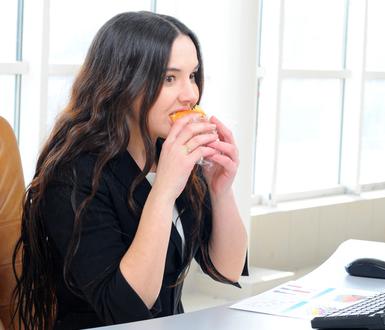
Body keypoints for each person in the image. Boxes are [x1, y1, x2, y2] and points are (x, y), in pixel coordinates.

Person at [11, 11, 248, 329]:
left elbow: (227, 269)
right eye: (169, 78)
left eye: (192, 75)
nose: (190, 94)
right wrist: (164, 191)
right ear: (123, 82)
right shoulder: (72, 175)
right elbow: (126, 308)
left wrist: (221, 191)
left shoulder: (168, 151)